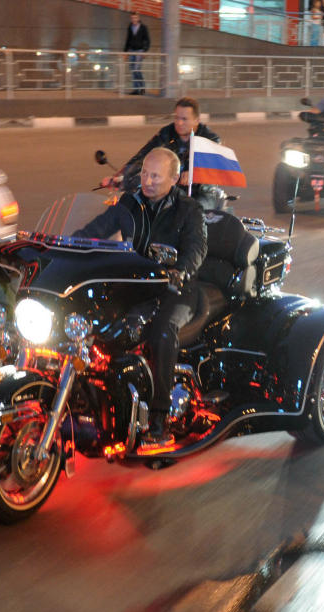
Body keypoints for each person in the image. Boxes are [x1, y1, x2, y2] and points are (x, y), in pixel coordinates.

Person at [75, 147, 208, 449]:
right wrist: (67, 244)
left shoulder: (189, 210)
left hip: (176, 288)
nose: (147, 181)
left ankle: (160, 419)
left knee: (161, 331)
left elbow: (196, 249)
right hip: (136, 282)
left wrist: (181, 271)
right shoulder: (130, 203)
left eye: (156, 176)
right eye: (145, 173)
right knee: (91, 316)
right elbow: (96, 229)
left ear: (174, 179)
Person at [103, 97, 224, 210]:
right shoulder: (167, 133)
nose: (179, 123)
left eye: (184, 119)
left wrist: (193, 172)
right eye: (177, 118)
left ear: (196, 120)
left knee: (194, 213)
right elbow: (144, 155)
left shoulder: (210, 139)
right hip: (173, 188)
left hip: (202, 191)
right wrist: (121, 175)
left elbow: (211, 164)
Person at [124, 12, 150, 95]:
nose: (133, 20)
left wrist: (145, 51)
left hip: (140, 51)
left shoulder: (143, 28)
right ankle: (136, 89)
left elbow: (148, 40)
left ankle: (142, 87)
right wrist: (125, 52)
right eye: (132, 18)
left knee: (136, 69)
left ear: (138, 18)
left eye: (135, 18)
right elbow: (128, 40)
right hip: (132, 50)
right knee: (133, 70)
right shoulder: (130, 27)